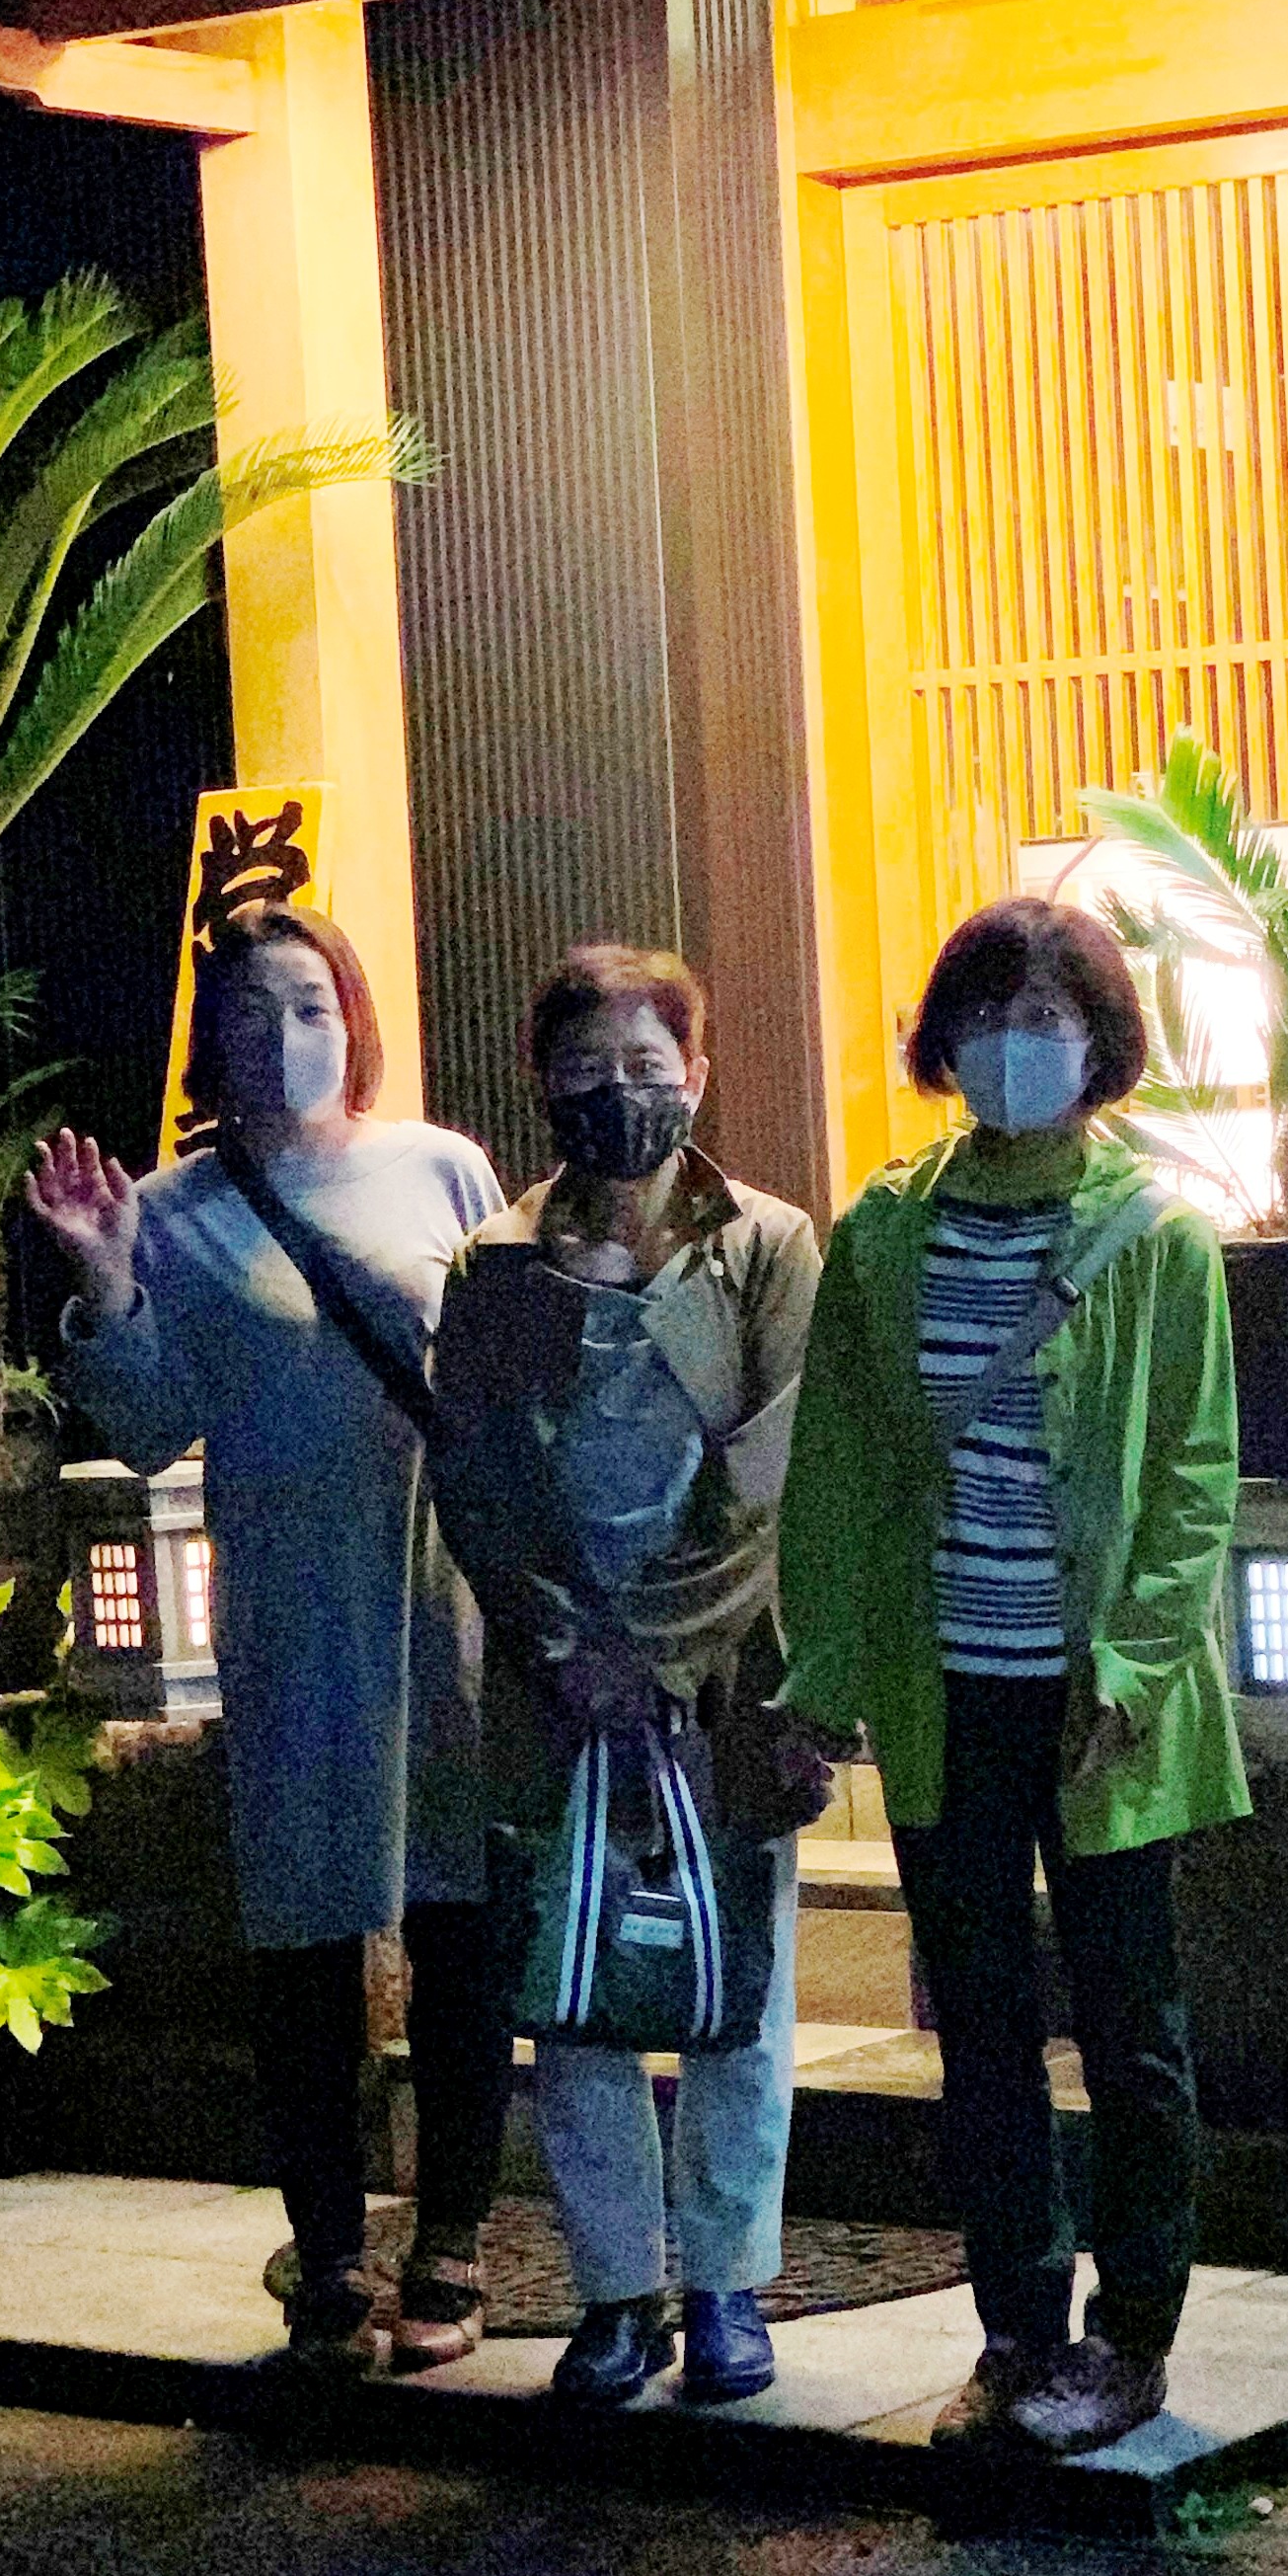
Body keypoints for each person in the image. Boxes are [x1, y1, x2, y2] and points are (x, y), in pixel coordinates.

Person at [775, 898, 1247, 2459]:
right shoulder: (882, 1228)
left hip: (1100, 1699)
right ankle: (1015, 2329)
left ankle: (1134, 2332)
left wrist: (1140, 1659)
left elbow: (1194, 1471)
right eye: (984, 1014)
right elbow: (838, 1468)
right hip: (943, 1687)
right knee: (977, 2024)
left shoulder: (1157, 1234)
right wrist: (820, 1668)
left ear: (1100, 1039)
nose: (1010, 1045)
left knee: (1131, 2024)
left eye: (1044, 1016)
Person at [25, 905, 511, 2376]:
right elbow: (147, 1423)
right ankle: (330, 2254)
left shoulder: (441, 1169)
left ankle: (454, 2241)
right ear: (210, 1041)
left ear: (352, 1016)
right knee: (303, 1942)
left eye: (307, 1005)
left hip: (442, 1593)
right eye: (248, 1013)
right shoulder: (172, 1209)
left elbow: (506, 1372)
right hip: (292, 1610)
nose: (284, 1036)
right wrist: (105, 1280)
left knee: (461, 1924)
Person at [425, 944, 824, 2411]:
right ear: (542, 1084)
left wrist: (652, 1649)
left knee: (739, 1987)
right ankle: (613, 2292)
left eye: (648, 1066)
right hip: (555, 1687)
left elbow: (776, 1471)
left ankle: (727, 2283)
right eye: (586, 1069)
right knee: (574, 1993)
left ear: (698, 1075)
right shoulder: (497, 1262)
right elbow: (478, 1481)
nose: (619, 1094)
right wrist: (564, 1646)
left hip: (728, 1678)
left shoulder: (769, 1246)